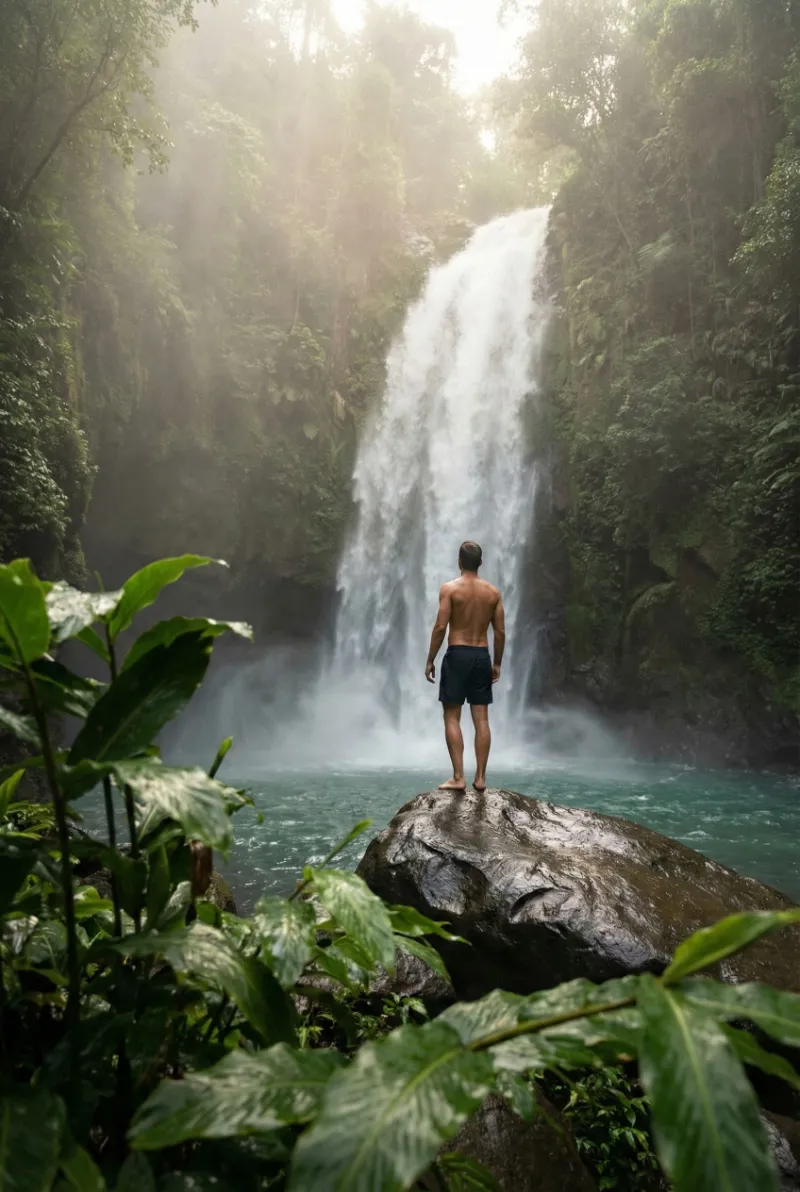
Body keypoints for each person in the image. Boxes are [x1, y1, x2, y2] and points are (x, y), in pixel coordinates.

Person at [425, 540, 505, 792]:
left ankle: (458, 777)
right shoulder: (493, 593)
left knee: (452, 715)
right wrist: (497, 663)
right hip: (481, 654)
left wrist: (430, 659)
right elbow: (500, 632)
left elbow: (440, 626)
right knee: (481, 718)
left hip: (457, 653)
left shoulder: (449, 589)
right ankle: (480, 778)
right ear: (480, 563)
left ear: (459, 561)